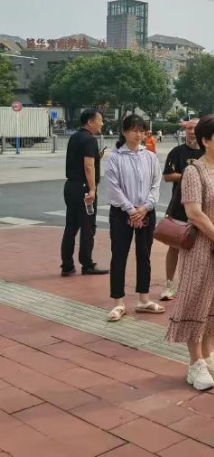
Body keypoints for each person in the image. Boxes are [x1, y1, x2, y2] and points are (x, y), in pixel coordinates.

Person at [165, 115, 214, 391]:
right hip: (202, 246)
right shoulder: (194, 172)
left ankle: (209, 354)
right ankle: (195, 363)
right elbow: (194, 213)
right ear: (205, 140)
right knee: (196, 299)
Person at [105, 115, 164, 322]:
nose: (138, 134)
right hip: (122, 213)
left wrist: (145, 208)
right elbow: (114, 188)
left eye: (142, 130)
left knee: (144, 254)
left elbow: (156, 185)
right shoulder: (115, 157)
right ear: (124, 132)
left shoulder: (150, 157)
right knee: (119, 255)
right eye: (134, 130)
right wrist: (131, 210)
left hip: (146, 211)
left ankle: (143, 298)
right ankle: (118, 302)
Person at [60, 109, 109, 276]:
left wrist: (97, 157)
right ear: (90, 122)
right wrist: (92, 190)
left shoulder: (74, 137)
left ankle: (67, 265)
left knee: (71, 226)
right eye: (100, 120)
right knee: (88, 227)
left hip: (71, 186)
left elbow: (81, 160)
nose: (102, 123)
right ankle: (87, 264)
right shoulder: (89, 140)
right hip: (84, 189)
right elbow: (88, 166)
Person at [161, 118, 202, 300]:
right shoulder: (176, 152)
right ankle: (170, 283)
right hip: (179, 205)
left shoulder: (208, 151)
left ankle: (194, 286)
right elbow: (168, 176)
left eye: (196, 129)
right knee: (174, 246)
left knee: (200, 249)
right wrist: (189, 174)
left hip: (203, 208)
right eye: (189, 129)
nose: (192, 132)